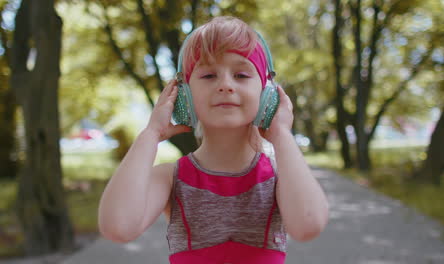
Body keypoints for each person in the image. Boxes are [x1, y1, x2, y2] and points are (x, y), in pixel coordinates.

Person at [98, 16, 329, 264]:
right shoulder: (171, 179)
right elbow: (118, 227)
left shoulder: (279, 177)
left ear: (266, 94)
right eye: (209, 75)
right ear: (184, 95)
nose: (226, 85)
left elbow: (308, 225)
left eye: (241, 75)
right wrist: (151, 134)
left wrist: (282, 134)